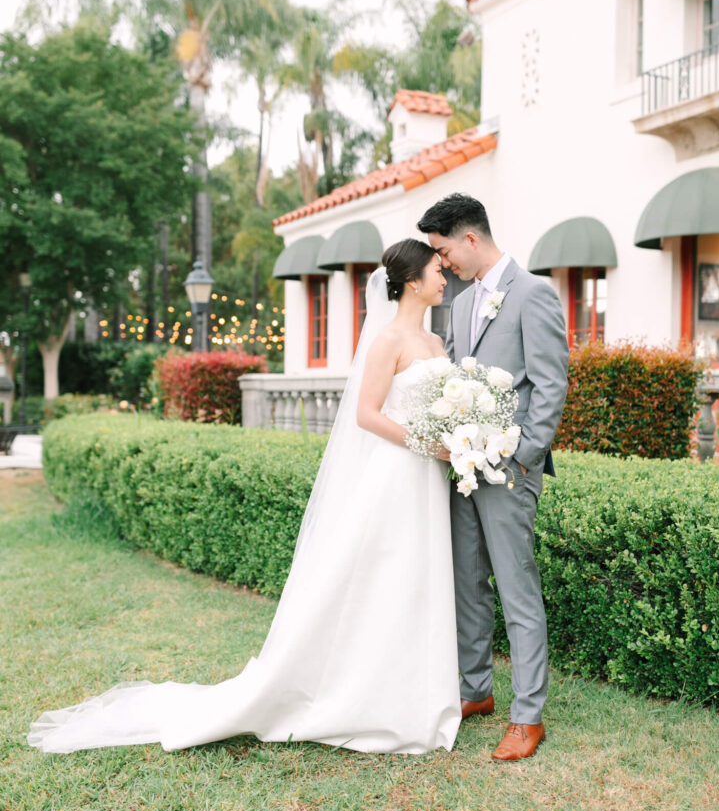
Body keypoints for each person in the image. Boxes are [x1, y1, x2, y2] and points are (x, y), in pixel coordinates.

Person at [28, 240, 461, 756]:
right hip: (399, 473)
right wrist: (424, 443)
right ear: (413, 280)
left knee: (418, 578)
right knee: (387, 578)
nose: (445, 276)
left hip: (430, 476)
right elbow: (367, 415)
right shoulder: (388, 340)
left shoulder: (435, 342)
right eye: (438, 270)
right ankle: (367, 697)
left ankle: (417, 694)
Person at [417, 193, 569, 762]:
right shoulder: (456, 305)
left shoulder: (534, 294)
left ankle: (528, 716)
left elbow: (551, 386)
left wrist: (523, 457)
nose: (443, 262)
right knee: (467, 582)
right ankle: (475, 690)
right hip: (463, 468)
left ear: (471, 239)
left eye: (444, 250)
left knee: (516, 586)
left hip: (509, 470)